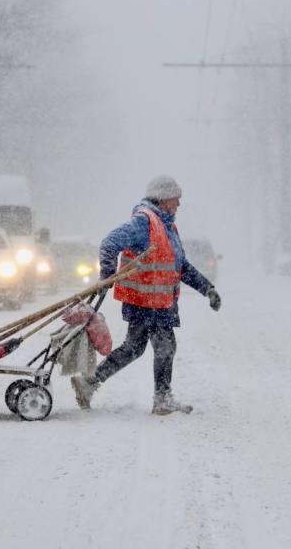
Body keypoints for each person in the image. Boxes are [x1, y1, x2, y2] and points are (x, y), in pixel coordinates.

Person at [71, 175, 221, 415]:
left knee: (134, 347)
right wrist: (107, 275)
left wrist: (207, 288)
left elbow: (180, 266)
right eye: (175, 199)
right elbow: (109, 243)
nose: (179, 205)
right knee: (165, 346)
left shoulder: (168, 226)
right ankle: (162, 399)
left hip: (154, 302)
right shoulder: (145, 221)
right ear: (162, 199)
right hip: (148, 302)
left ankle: (89, 383)